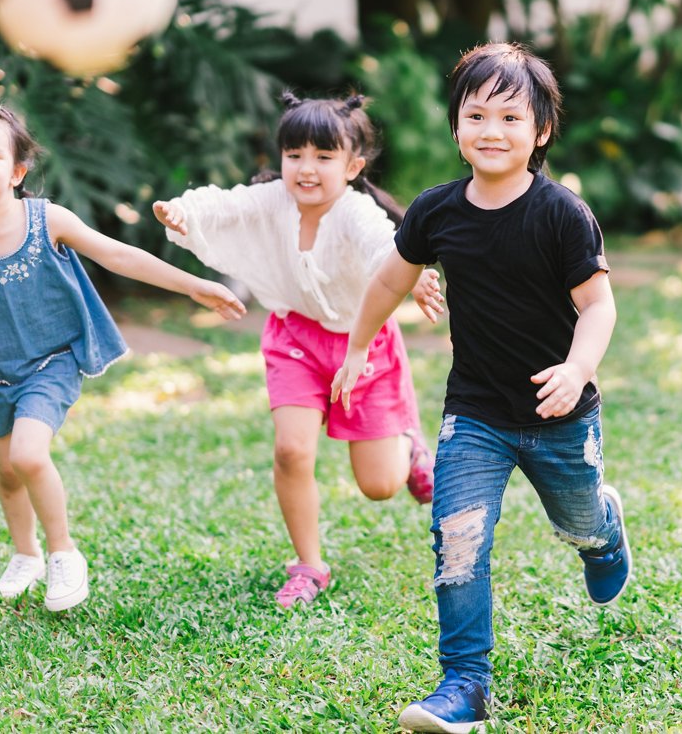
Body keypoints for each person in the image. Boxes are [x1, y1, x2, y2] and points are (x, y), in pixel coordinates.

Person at [332, 42, 632, 733]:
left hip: (560, 417)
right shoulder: (436, 212)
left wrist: (578, 368)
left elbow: (599, 306)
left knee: (577, 521)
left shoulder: (562, 213)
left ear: (541, 130)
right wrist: (355, 350)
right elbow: (389, 282)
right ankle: (463, 684)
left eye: (510, 116)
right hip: (475, 414)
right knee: (457, 535)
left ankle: (603, 533)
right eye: (476, 115)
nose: (491, 131)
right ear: (456, 127)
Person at [0, 98, 247, 612]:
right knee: (7, 473)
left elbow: (118, 255)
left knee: (28, 455)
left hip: (50, 360)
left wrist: (192, 286)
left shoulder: (46, 218)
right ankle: (25, 554)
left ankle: (63, 553)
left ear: (17, 171)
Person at [153, 93, 442, 609]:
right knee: (291, 451)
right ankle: (309, 564)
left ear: (353, 166)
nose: (306, 169)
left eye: (324, 157)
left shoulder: (355, 212)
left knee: (379, 485)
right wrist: (183, 212)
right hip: (294, 341)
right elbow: (224, 203)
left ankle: (411, 448)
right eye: (295, 155)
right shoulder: (272, 202)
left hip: (361, 342)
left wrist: (413, 277)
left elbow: (385, 248)